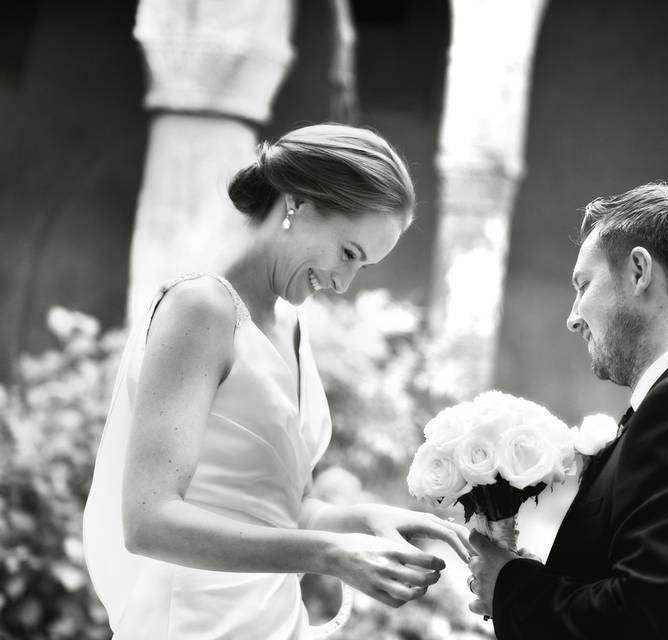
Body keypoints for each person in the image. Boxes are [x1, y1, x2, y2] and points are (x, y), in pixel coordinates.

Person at [82, 123, 472, 640]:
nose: (342, 283)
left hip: (267, 621)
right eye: (348, 253)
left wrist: (366, 521)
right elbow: (149, 521)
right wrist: (329, 556)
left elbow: (285, 509)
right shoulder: (201, 308)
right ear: (299, 203)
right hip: (192, 624)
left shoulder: (289, 324)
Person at [466, 183, 668, 639]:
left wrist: (509, 586)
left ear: (639, 271)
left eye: (583, 285)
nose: (573, 316)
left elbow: (643, 619)